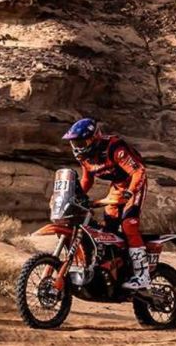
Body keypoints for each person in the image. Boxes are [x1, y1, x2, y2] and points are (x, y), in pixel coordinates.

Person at [63, 118, 151, 290]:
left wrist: (130, 192)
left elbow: (138, 171)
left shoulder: (115, 148)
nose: (77, 147)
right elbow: (87, 180)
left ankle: (143, 275)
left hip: (134, 185)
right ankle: (115, 268)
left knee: (129, 224)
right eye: (74, 143)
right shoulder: (85, 157)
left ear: (94, 138)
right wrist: (73, 195)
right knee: (108, 230)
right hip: (117, 187)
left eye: (81, 142)